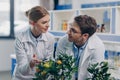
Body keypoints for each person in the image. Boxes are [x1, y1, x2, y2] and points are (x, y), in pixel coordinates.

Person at [55, 15, 105, 80]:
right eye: (70, 28)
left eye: (73, 31)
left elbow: (94, 75)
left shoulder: (97, 47)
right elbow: (58, 68)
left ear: (85, 35)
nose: (67, 32)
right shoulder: (63, 42)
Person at [12, 6, 55, 80]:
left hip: (40, 77)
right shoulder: (20, 39)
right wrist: (31, 64)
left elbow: (49, 62)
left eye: (48, 21)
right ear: (32, 23)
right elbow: (22, 70)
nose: (48, 25)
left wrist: (46, 64)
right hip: (22, 77)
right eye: (44, 22)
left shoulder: (50, 38)